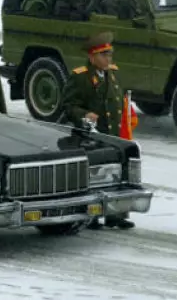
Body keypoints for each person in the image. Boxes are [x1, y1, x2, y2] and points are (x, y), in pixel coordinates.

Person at [60, 31, 135, 230]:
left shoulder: (113, 74)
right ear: (92, 57)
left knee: (116, 173)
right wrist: (85, 115)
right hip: (91, 136)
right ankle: (91, 215)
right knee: (94, 175)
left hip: (113, 134)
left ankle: (115, 214)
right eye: (104, 55)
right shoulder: (80, 77)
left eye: (110, 54)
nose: (108, 58)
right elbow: (68, 105)